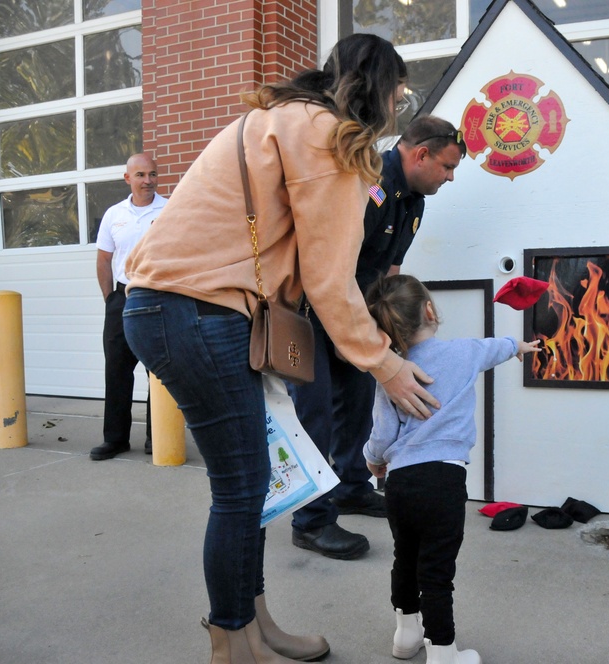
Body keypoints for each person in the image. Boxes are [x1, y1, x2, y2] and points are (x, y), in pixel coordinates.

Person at [122, 34, 440, 663]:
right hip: (196, 310)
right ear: (377, 88)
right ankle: (231, 643)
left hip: (179, 307)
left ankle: (253, 623)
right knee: (241, 487)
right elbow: (329, 279)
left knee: (252, 482)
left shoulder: (280, 118)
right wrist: (388, 364)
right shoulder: (326, 135)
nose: (398, 108)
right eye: (398, 95)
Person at [289, 114, 466, 560]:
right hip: (317, 310)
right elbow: (328, 261)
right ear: (421, 154)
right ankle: (309, 522)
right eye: (447, 167)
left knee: (356, 407)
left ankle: (350, 488)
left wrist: (390, 329)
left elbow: (390, 269)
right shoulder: (365, 182)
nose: (449, 178)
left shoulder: (415, 201)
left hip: (361, 315)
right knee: (315, 417)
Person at [362, 274, 540, 664]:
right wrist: (520, 346)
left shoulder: (391, 375)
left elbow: (381, 434)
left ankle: (406, 636)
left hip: (401, 483)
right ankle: (443, 652)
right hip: (442, 480)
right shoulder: (464, 352)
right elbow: (494, 348)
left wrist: (373, 460)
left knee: (405, 557)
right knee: (437, 572)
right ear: (430, 310)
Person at [90, 153, 166, 461]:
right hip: (122, 298)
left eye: (152, 174)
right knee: (117, 370)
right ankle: (116, 439)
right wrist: (110, 299)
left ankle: (157, 437)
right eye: (140, 175)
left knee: (158, 372)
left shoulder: (170, 209)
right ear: (127, 179)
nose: (147, 180)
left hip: (158, 296)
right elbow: (104, 260)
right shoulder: (113, 214)